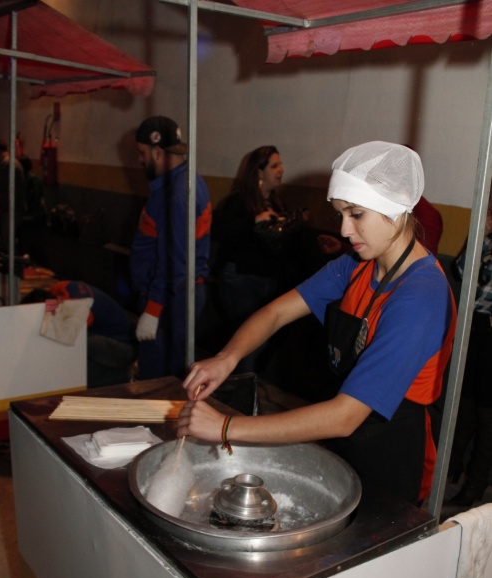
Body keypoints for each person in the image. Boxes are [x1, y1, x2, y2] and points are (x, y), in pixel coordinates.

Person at [178, 141, 457, 506]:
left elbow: (345, 416)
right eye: (340, 213)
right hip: (347, 436)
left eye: (356, 214)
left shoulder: (421, 295)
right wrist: (227, 358)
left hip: (393, 452)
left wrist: (226, 427)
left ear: (398, 206)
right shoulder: (358, 266)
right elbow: (277, 312)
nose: (344, 229)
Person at [129, 115, 212, 380]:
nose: (140, 160)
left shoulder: (175, 195)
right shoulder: (186, 181)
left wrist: (152, 311)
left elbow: (175, 261)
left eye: (142, 153)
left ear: (156, 151)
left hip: (170, 300)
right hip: (176, 295)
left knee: (158, 381)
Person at [214, 145, 308, 371]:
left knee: (262, 340)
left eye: (281, 165)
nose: (281, 170)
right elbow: (221, 231)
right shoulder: (238, 202)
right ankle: (237, 395)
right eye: (275, 165)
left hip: (267, 280)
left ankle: (244, 389)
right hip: (241, 280)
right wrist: (254, 221)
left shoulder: (277, 203)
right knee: (248, 341)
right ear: (259, 171)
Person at [447, 192, 492, 506]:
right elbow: (462, 271)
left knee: (488, 416)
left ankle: (474, 487)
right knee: (464, 404)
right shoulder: (487, 235)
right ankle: (449, 469)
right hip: (474, 326)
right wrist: (481, 231)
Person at [21, 281, 137, 388]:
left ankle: (120, 377)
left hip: (123, 349)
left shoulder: (75, 306)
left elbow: (61, 345)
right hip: (115, 341)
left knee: (73, 360)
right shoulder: (60, 292)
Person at [0, 137, 26, 251]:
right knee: (8, 238)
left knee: (7, 239)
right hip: (15, 205)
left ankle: (11, 265)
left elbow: (0, 185)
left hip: (12, 207)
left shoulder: (7, 164)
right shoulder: (13, 163)